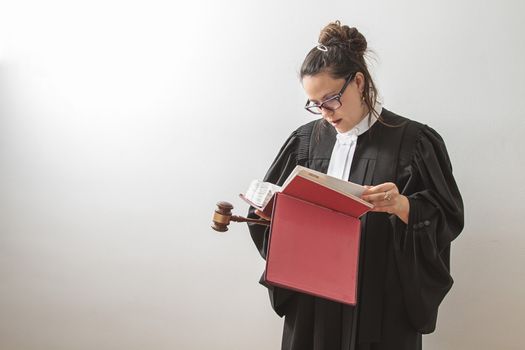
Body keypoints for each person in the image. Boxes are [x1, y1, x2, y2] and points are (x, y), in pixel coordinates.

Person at [246, 20, 464, 350]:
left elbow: (447, 217)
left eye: (331, 99)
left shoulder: (414, 142)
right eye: (315, 104)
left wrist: (402, 205)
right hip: (312, 302)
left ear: (358, 81)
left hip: (380, 304)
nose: (325, 113)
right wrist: (269, 213)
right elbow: (266, 213)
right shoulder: (304, 142)